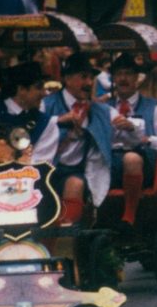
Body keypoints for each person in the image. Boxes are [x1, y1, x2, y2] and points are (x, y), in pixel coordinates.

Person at [43, 54, 119, 226]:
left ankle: (67, 236)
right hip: (45, 166)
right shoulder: (46, 105)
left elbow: (123, 122)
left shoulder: (101, 110)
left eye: (91, 78)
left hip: (76, 170)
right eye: (83, 77)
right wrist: (58, 121)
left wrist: (130, 125)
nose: (89, 83)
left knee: (75, 184)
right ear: (67, 79)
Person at [107, 53, 157, 227]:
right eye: (119, 74)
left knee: (131, 159)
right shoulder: (103, 107)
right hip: (108, 162)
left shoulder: (154, 108)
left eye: (128, 74)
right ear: (114, 78)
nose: (123, 78)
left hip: (142, 164)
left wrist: (149, 140)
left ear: (137, 77)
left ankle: (129, 216)